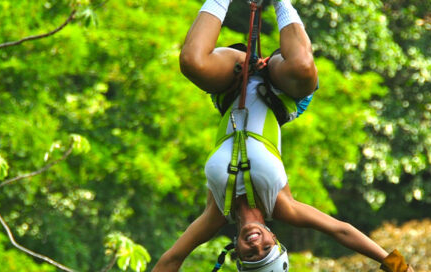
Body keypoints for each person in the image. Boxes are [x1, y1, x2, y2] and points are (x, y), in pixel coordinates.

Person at [152, 1, 413, 271]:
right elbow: (341, 231)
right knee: (302, 66)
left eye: (252, 255)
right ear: (275, 239)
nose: (256, 245)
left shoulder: (215, 213)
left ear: (237, 255)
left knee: (192, 62)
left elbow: (171, 260)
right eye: (267, 249)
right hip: (281, 92)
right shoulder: (282, 206)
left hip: (232, 85)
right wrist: (398, 266)